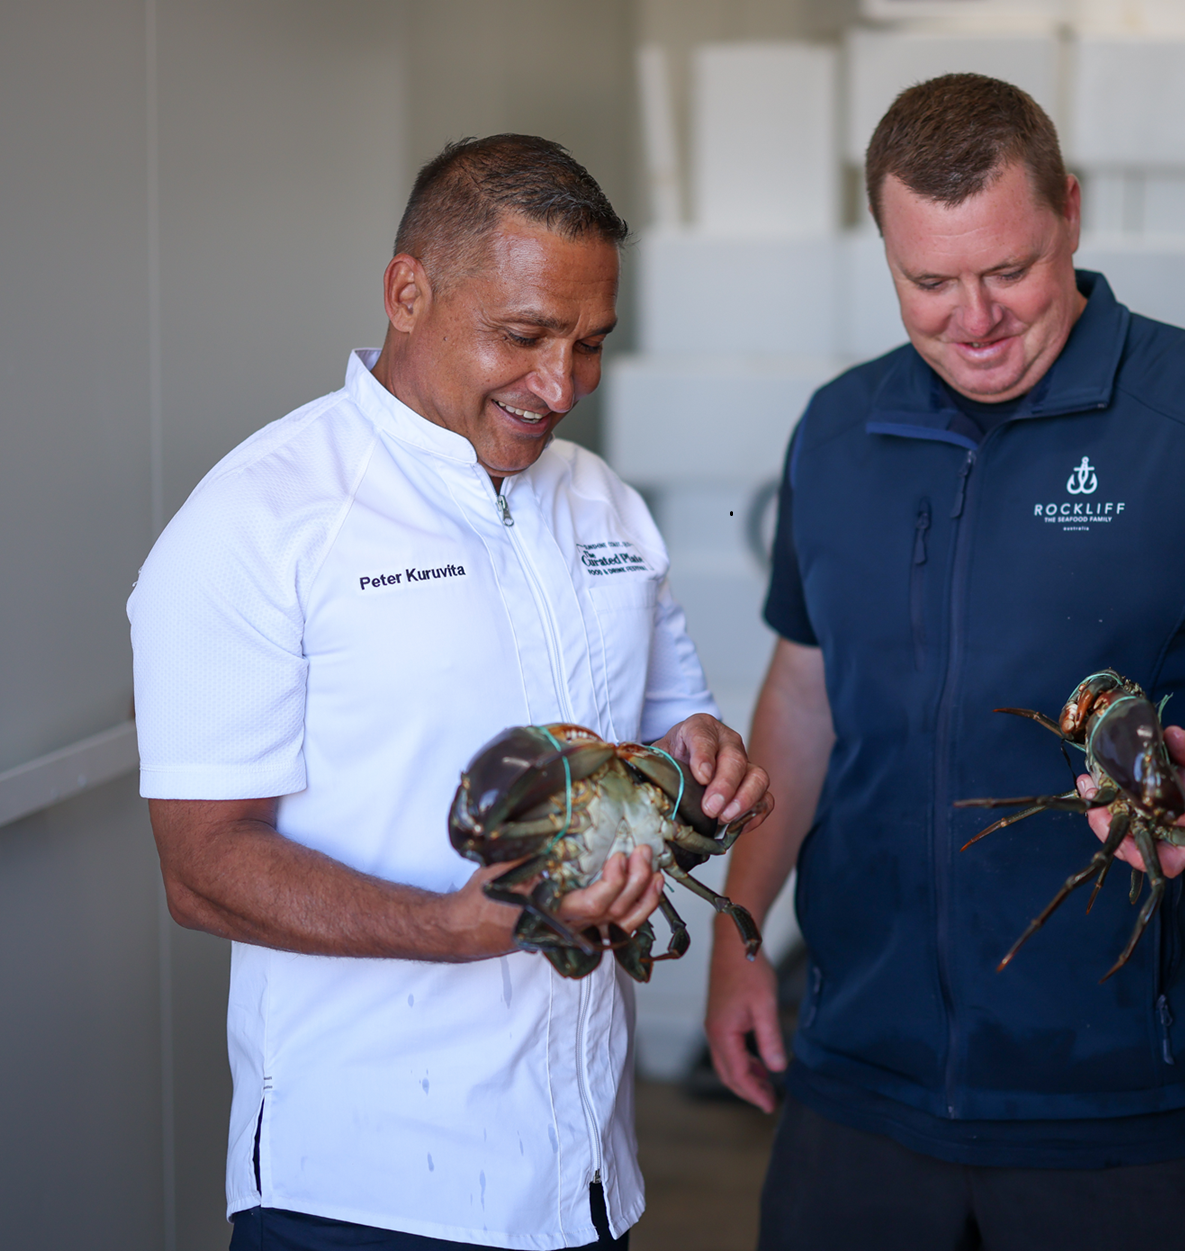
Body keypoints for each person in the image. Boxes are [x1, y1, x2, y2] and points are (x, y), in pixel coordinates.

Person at [704, 74, 1185, 1251]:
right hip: (860, 1086)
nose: (973, 319)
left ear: (1070, 216)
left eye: (1009, 271)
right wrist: (739, 936)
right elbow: (807, 690)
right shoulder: (836, 431)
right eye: (927, 282)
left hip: (1128, 1107)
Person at [130, 135, 769, 1251]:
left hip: (587, 1179)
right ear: (408, 291)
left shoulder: (605, 504)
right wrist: (448, 928)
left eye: (590, 345)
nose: (559, 385)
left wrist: (706, 763)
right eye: (522, 336)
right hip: (363, 1193)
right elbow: (204, 867)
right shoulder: (260, 521)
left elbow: (674, 732)